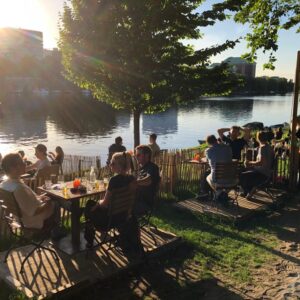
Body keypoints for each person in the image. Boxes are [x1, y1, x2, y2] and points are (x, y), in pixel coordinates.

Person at [84, 152, 142, 253]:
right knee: (90, 206)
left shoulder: (114, 180)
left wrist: (98, 203)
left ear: (120, 166)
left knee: (89, 205)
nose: (110, 165)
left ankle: (89, 241)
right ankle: (89, 235)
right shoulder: (132, 178)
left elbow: (104, 204)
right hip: (124, 216)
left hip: (109, 220)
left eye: (113, 163)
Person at [0, 153, 56, 229]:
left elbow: (27, 202)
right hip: (32, 221)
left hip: (20, 219)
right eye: (22, 162)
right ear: (13, 168)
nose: (25, 164)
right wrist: (48, 202)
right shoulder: (18, 188)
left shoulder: (4, 185)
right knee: (55, 203)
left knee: (51, 197)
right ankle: (55, 232)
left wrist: (41, 197)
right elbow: (34, 211)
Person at [239, 131, 274, 198]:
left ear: (257, 138)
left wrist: (249, 162)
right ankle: (248, 191)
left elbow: (260, 162)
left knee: (241, 174)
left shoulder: (262, 148)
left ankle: (248, 191)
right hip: (268, 173)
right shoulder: (270, 147)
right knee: (246, 171)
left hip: (262, 174)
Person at [204, 135, 233, 202]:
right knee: (212, 173)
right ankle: (224, 194)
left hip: (217, 178)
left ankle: (219, 193)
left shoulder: (208, 151)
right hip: (230, 177)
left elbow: (209, 163)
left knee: (207, 177)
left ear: (208, 143)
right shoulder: (228, 148)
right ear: (216, 140)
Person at [134, 145, 160, 216]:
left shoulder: (152, 167)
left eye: (138, 155)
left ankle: (129, 225)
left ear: (146, 155)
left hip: (144, 204)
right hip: (136, 200)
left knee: (120, 209)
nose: (136, 157)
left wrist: (133, 183)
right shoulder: (142, 168)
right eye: (136, 155)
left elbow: (148, 181)